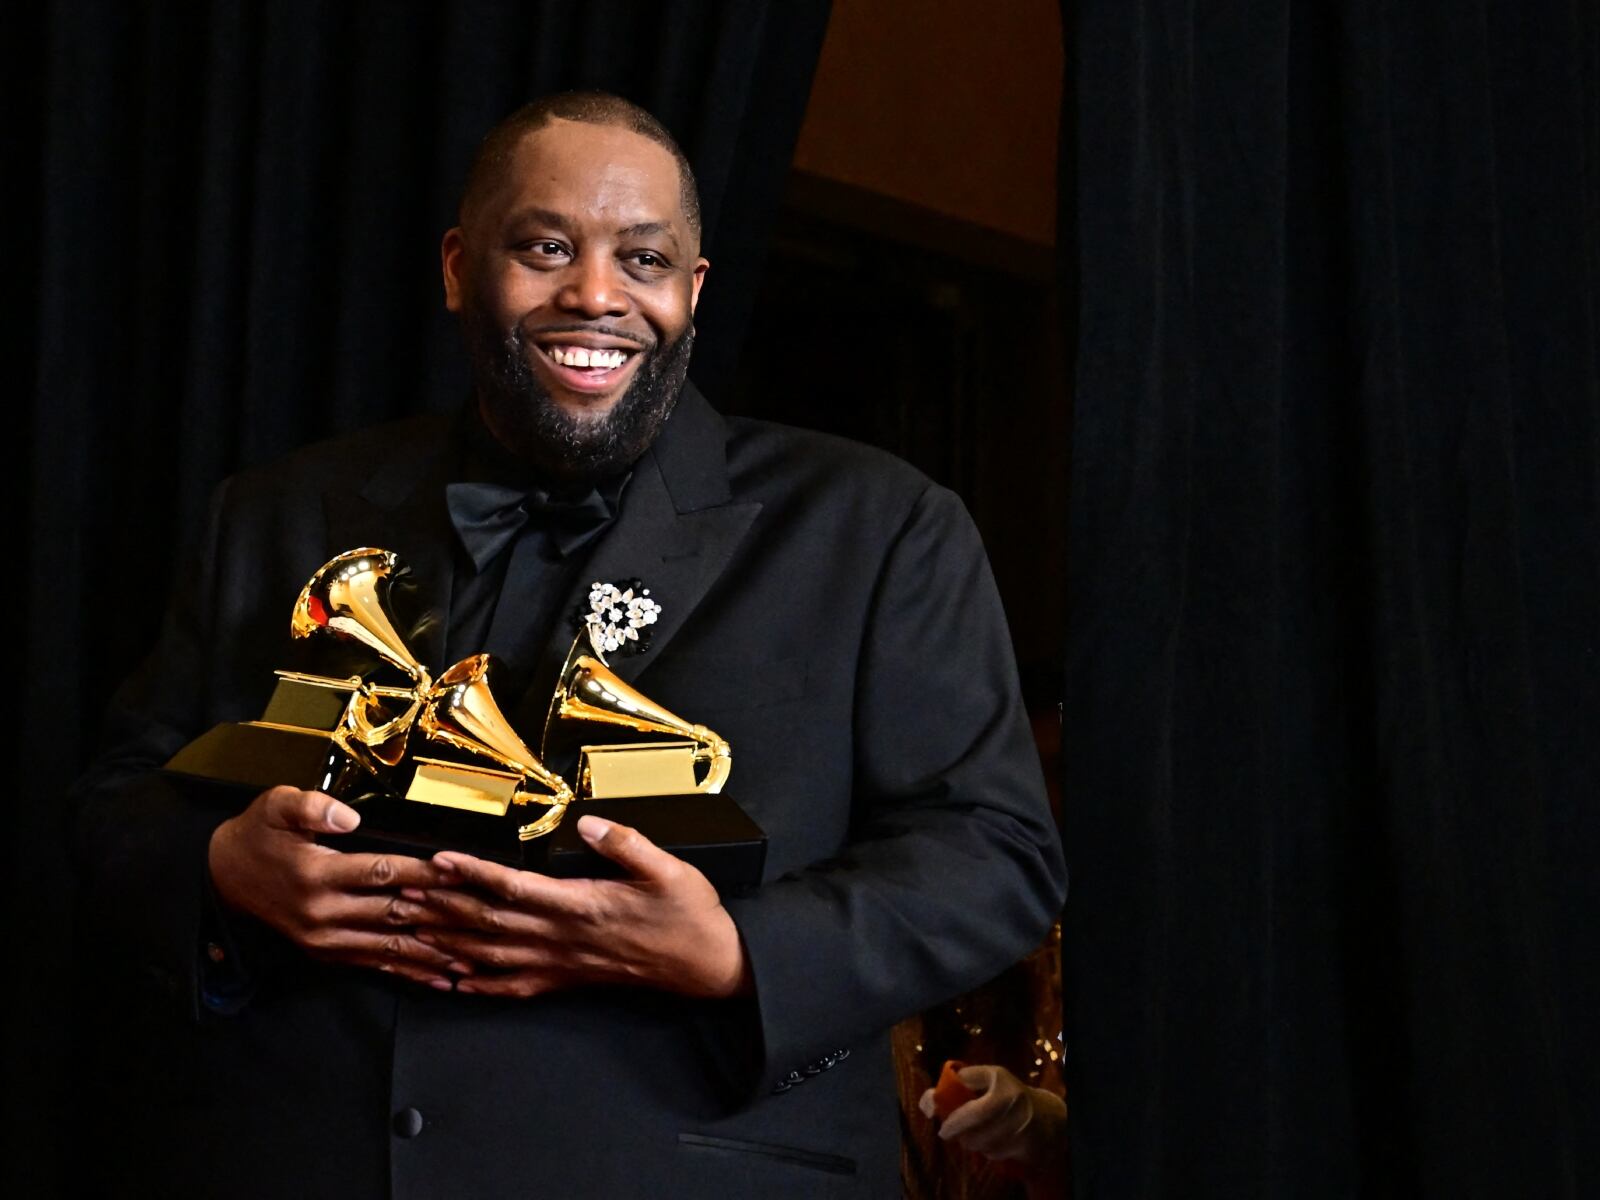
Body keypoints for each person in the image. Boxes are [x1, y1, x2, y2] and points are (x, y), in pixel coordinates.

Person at [73, 91, 1067, 1198]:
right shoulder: (276, 513)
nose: (595, 294)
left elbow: (995, 856)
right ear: (460, 270)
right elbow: (119, 799)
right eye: (546, 247)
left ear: (691, 294)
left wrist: (737, 954)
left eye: (642, 260)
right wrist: (221, 872)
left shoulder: (878, 525)